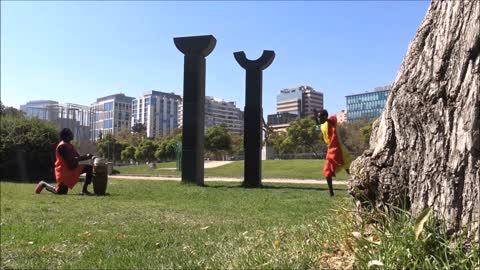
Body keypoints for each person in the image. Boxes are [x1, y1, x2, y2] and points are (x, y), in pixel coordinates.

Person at [35, 128, 94, 195]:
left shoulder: (70, 145)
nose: (72, 135)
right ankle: (44, 184)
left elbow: (78, 157)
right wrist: (85, 157)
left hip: (72, 169)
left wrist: (87, 156)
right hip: (64, 172)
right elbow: (70, 160)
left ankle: (84, 190)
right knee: (61, 192)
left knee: (89, 168)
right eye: (70, 134)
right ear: (66, 136)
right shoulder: (62, 146)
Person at [314, 109, 352, 197]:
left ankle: (360, 186)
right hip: (331, 149)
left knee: (348, 169)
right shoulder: (322, 124)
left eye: (320, 118)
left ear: (324, 117)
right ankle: (331, 194)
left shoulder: (331, 119)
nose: (319, 120)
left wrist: (324, 118)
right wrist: (315, 117)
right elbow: (317, 125)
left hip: (339, 149)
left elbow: (332, 122)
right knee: (327, 172)